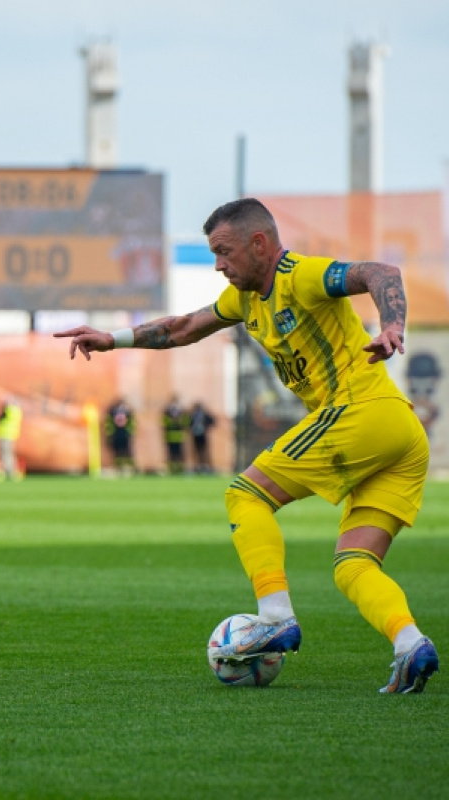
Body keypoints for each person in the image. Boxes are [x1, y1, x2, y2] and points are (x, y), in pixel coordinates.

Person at [55, 197, 439, 694]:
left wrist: (393, 325)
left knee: (245, 494)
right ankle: (410, 643)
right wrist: (114, 338)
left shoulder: (298, 275)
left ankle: (274, 616)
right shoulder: (245, 299)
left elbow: (379, 272)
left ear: (259, 243)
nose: (218, 265)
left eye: (224, 251)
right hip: (401, 434)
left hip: (361, 411)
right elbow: (186, 327)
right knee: (354, 565)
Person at [0, 397, 23, 480]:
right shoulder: (17, 410)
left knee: (5, 454)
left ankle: (8, 472)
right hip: (10, 434)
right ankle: (12, 473)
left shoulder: (9, 410)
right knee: (9, 454)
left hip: (5, 434)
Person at [105, 396, 135, 475]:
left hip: (120, 433)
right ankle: (121, 467)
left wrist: (110, 433)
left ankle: (125, 467)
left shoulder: (114, 410)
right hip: (119, 433)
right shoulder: (126, 410)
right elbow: (109, 422)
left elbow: (109, 422)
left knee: (124, 451)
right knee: (120, 451)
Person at [161, 394, 189, 474]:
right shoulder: (167, 411)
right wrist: (172, 422)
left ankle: (180, 468)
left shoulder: (182, 411)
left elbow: (186, 422)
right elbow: (163, 422)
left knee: (180, 452)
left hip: (179, 435)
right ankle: (172, 468)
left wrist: (180, 422)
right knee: (171, 452)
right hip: (170, 435)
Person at [189, 401, 216, 473]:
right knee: (196, 451)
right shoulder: (193, 415)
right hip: (195, 435)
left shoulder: (204, 414)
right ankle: (198, 466)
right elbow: (188, 422)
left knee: (204, 451)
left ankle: (205, 465)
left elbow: (212, 421)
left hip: (203, 435)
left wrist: (206, 426)